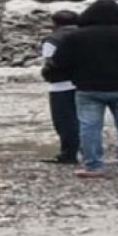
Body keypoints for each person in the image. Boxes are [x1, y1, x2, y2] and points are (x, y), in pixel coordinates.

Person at [49, 0, 118, 178]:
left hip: (88, 88)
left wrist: (72, 76)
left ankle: (93, 166)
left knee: (89, 126)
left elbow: (60, 63)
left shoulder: (75, 37)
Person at [40, 10, 81, 164]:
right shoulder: (87, 34)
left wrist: (47, 74)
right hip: (85, 83)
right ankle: (90, 152)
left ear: (55, 23)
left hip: (61, 85)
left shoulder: (52, 39)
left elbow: (50, 62)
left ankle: (68, 153)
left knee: (64, 121)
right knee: (85, 120)